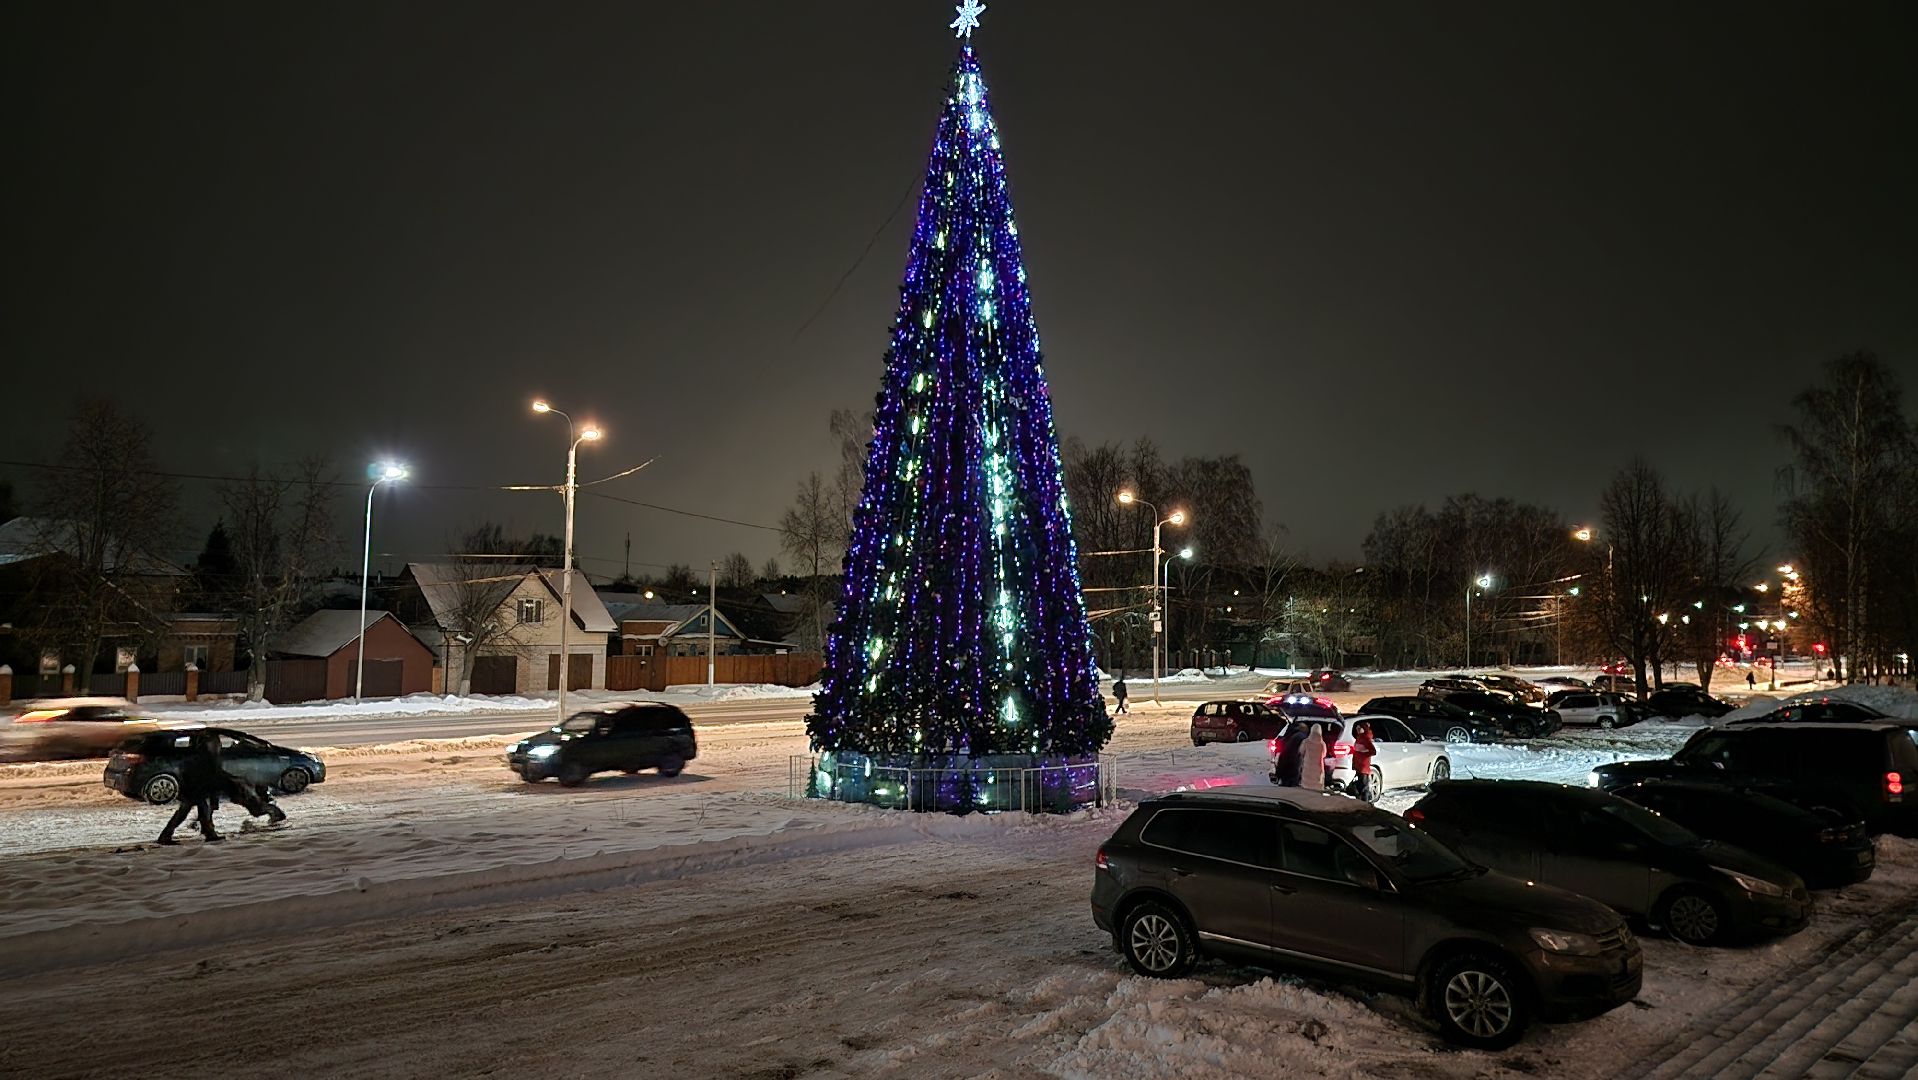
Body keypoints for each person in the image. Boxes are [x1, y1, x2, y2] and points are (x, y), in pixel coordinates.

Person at [158, 731, 224, 845]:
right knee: (199, 809)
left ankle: (208, 833)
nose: (218, 746)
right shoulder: (206, 757)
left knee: (190, 810)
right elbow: (210, 774)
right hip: (196, 788)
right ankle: (209, 834)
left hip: (193, 787)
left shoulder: (196, 754)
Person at [1271, 722, 1307, 786]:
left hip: (1286, 761)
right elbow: (1302, 752)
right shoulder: (1303, 737)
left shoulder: (1290, 735)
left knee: (1286, 783)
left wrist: (1278, 774)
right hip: (1295, 763)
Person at [1348, 720, 1377, 801]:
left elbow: (1373, 751)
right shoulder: (1359, 738)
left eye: (1359, 728)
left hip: (1363, 767)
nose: (1357, 730)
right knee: (1360, 786)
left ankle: (1365, 801)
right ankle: (1361, 800)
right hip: (1358, 765)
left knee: (1364, 786)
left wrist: (1363, 752)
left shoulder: (1366, 738)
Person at [1298, 722, 1326, 792]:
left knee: (1306, 786)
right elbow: (1324, 754)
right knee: (1317, 786)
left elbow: (1301, 751)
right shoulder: (1322, 744)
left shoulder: (1306, 742)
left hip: (1307, 767)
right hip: (1318, 767)